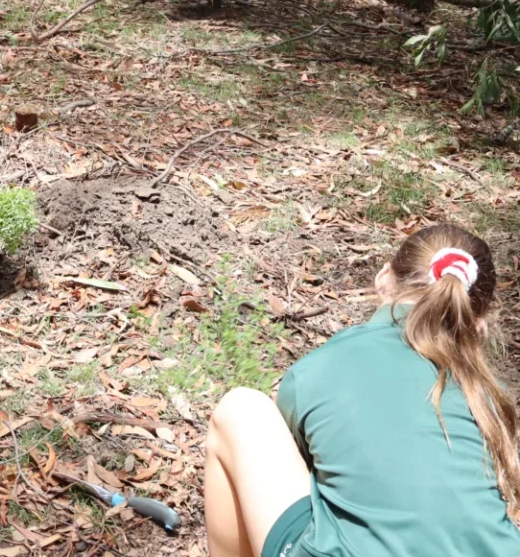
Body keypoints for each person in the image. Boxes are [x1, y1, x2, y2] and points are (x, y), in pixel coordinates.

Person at [204, 224, 520, 557]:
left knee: (242, 410)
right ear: (480, 324)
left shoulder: (320, 368)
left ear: (384, 278)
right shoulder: (491, 397)